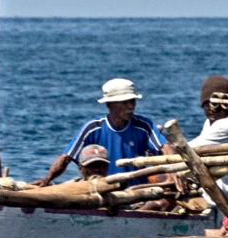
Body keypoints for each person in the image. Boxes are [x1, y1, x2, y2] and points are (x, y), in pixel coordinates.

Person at [35, 79, 168, 186]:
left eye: (132, 101)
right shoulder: (93, 127)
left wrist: (175, 174)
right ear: (109, 104)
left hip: (136, 191)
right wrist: (47, 179)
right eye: (124, 102)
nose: (130, 106)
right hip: (104, 190)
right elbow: (66, 157)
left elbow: (166, 149)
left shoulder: (144, 126)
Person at [189, 75, 228, 148]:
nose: (213, 109)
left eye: (216, 104)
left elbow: (191, 147)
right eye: (208, 105)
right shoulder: (209, 122)